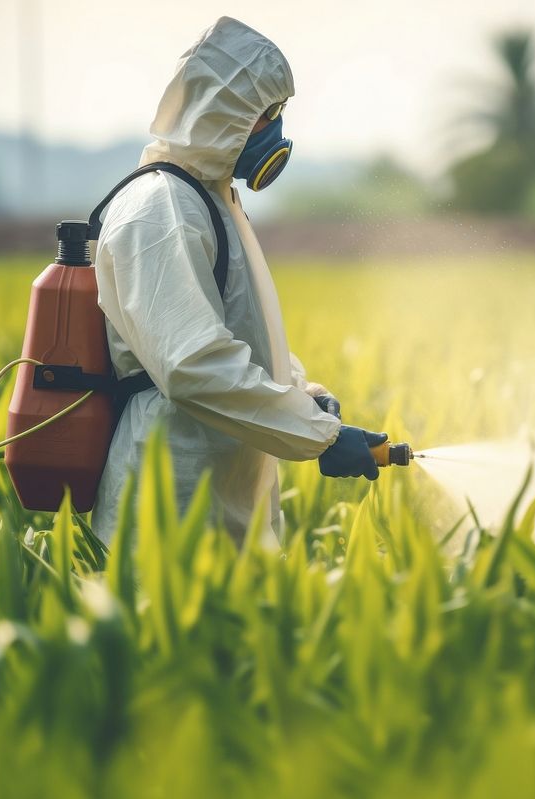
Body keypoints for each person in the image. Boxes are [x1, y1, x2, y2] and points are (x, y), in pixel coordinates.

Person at [91, 16, 386, 546]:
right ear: (220, 112)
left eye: (279, 113)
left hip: (220, 483)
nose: (275, 128)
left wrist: (302, 394)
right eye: (264, 114)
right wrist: (319, 436)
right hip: (171, 493)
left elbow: (240, 335)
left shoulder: (211, 201)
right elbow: (193, 363)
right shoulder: (162, 209)